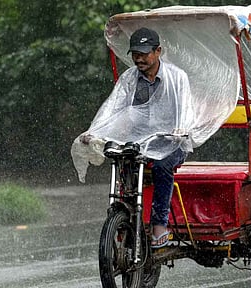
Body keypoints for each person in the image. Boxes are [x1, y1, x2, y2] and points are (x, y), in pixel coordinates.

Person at [80, 27, 191, 248]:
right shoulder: (129, 79)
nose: (139, 59)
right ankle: (126, 215)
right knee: (120, 160)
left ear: (158, 51)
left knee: (161, 166)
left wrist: (180, 129)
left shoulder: (176, 78)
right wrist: (95, 131)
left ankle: (159, 224)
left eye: (144, 53)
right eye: (135, 54)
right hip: (140, 141)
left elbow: (185, 110)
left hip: (172, 141)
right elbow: (113, 109)